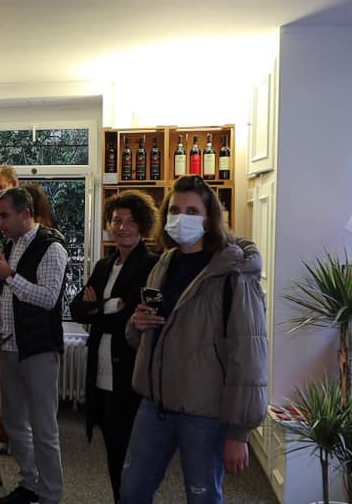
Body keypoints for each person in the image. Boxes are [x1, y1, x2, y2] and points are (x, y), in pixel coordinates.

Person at [120, 176, 267, 504]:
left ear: (209, 218)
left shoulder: (232, 273)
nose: (181, 218)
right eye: (175, 210)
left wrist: (238, 432)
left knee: (202, 498)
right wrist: (137, 325)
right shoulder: (163, 263)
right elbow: (150, 333)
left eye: (191, 211)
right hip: (154, 404)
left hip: (204, 413)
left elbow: (248, 353)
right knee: (131, 491)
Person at [0, 187, 67, 504]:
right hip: (6, 347)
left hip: (38, 349)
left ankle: (51, 495)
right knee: (13, 423)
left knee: (44, 428)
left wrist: (9, 274)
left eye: (4, 216)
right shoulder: (7, 246)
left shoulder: (52, 247)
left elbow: (48, 298)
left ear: (26, 214)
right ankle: (29, 484)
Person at [69, 191, 159, 502]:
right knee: (113, 453)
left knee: (134, 459)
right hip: (101, 376)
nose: (122, 227)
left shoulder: (152, 265)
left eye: (130, 221)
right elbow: (76, 309)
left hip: (131, 375)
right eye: (117, 220)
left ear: (142, 226)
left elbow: (132, 317)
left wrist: (98, 310)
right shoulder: (104, 265)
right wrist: (109, 307)